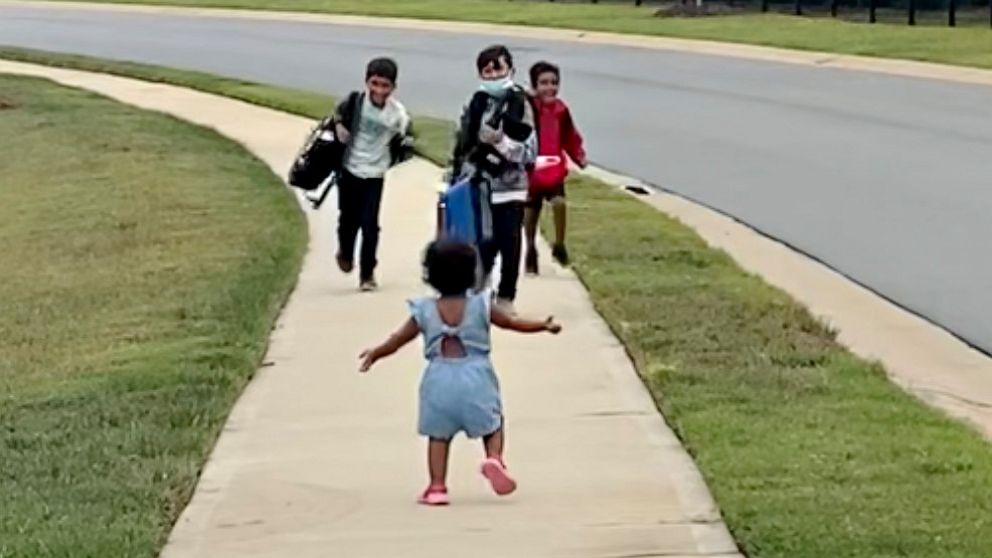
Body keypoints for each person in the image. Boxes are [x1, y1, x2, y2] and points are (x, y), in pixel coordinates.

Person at [358, 240, 562, 506]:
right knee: (493, 422)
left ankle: (437, 487)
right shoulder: (481, 305)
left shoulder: (423, 310)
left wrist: (376, 353)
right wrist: (542, 326)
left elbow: (397, 340)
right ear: (471, 273)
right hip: (476, 376)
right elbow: (512, 323)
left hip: (439, 379)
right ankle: (494, 457)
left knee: (438, 435)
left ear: (429, 275)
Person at [448, 45, 537, 313]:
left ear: (510, 69)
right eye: (486, 71)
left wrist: (501, 143)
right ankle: (477, 290)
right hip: (479, 184)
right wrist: (456, 175)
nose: (493, 74)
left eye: (497, 68)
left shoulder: (522, 105)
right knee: (481, 242)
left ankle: (506, 297)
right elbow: (463, 143)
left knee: (509, 243)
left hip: (510, 187)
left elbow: (530, 151)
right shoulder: (477, 103)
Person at [334, 57, 413, 292]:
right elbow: (337, 115)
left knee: (370, 225)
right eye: (375, 83)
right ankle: (345, 252)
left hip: (375, 174)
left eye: (385, 85)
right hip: (350, 169)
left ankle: (367, 272)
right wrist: (339, 126)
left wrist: (402, 149)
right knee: (348, 220)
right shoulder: (355, 102)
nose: (379, 90)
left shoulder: (397, 115)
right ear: (367, 82)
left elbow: (406, 142)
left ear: (393, 87)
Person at [524, 61, 587, 275]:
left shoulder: (561, 110)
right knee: (530, 214)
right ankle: (530, 249)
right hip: (531, 170)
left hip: (553, 168)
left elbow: (570, 136)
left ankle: (560, 244)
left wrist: (578, 156)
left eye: (554, 83)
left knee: (559, 203)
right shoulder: (528, 107)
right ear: (534, 85)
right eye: (543, 83)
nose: (549, 88)